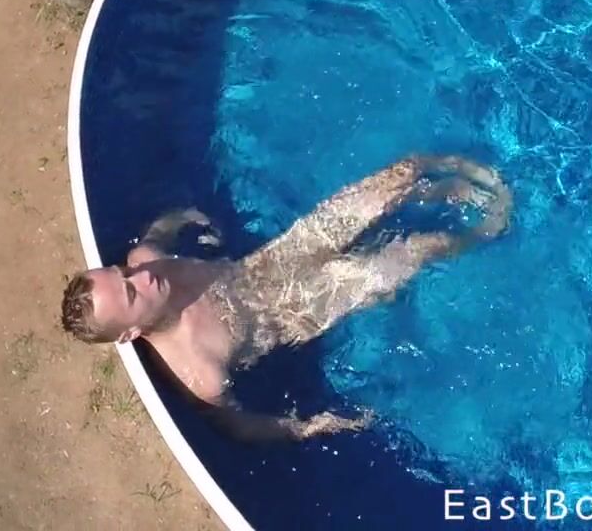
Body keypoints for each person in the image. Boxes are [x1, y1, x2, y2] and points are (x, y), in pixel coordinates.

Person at [59, 153, 513, 442]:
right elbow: (242, 427)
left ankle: (460, 176)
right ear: (131, 333)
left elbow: (159, 231)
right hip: (305, 306)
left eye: (123, 273)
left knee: (401, 175)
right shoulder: (200, 372)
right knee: (421, 249)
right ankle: (487, 229)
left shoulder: (146, 260)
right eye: (131, 291)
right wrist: (313, 426)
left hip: (277, 260)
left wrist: (187, 217)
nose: (141, 277)